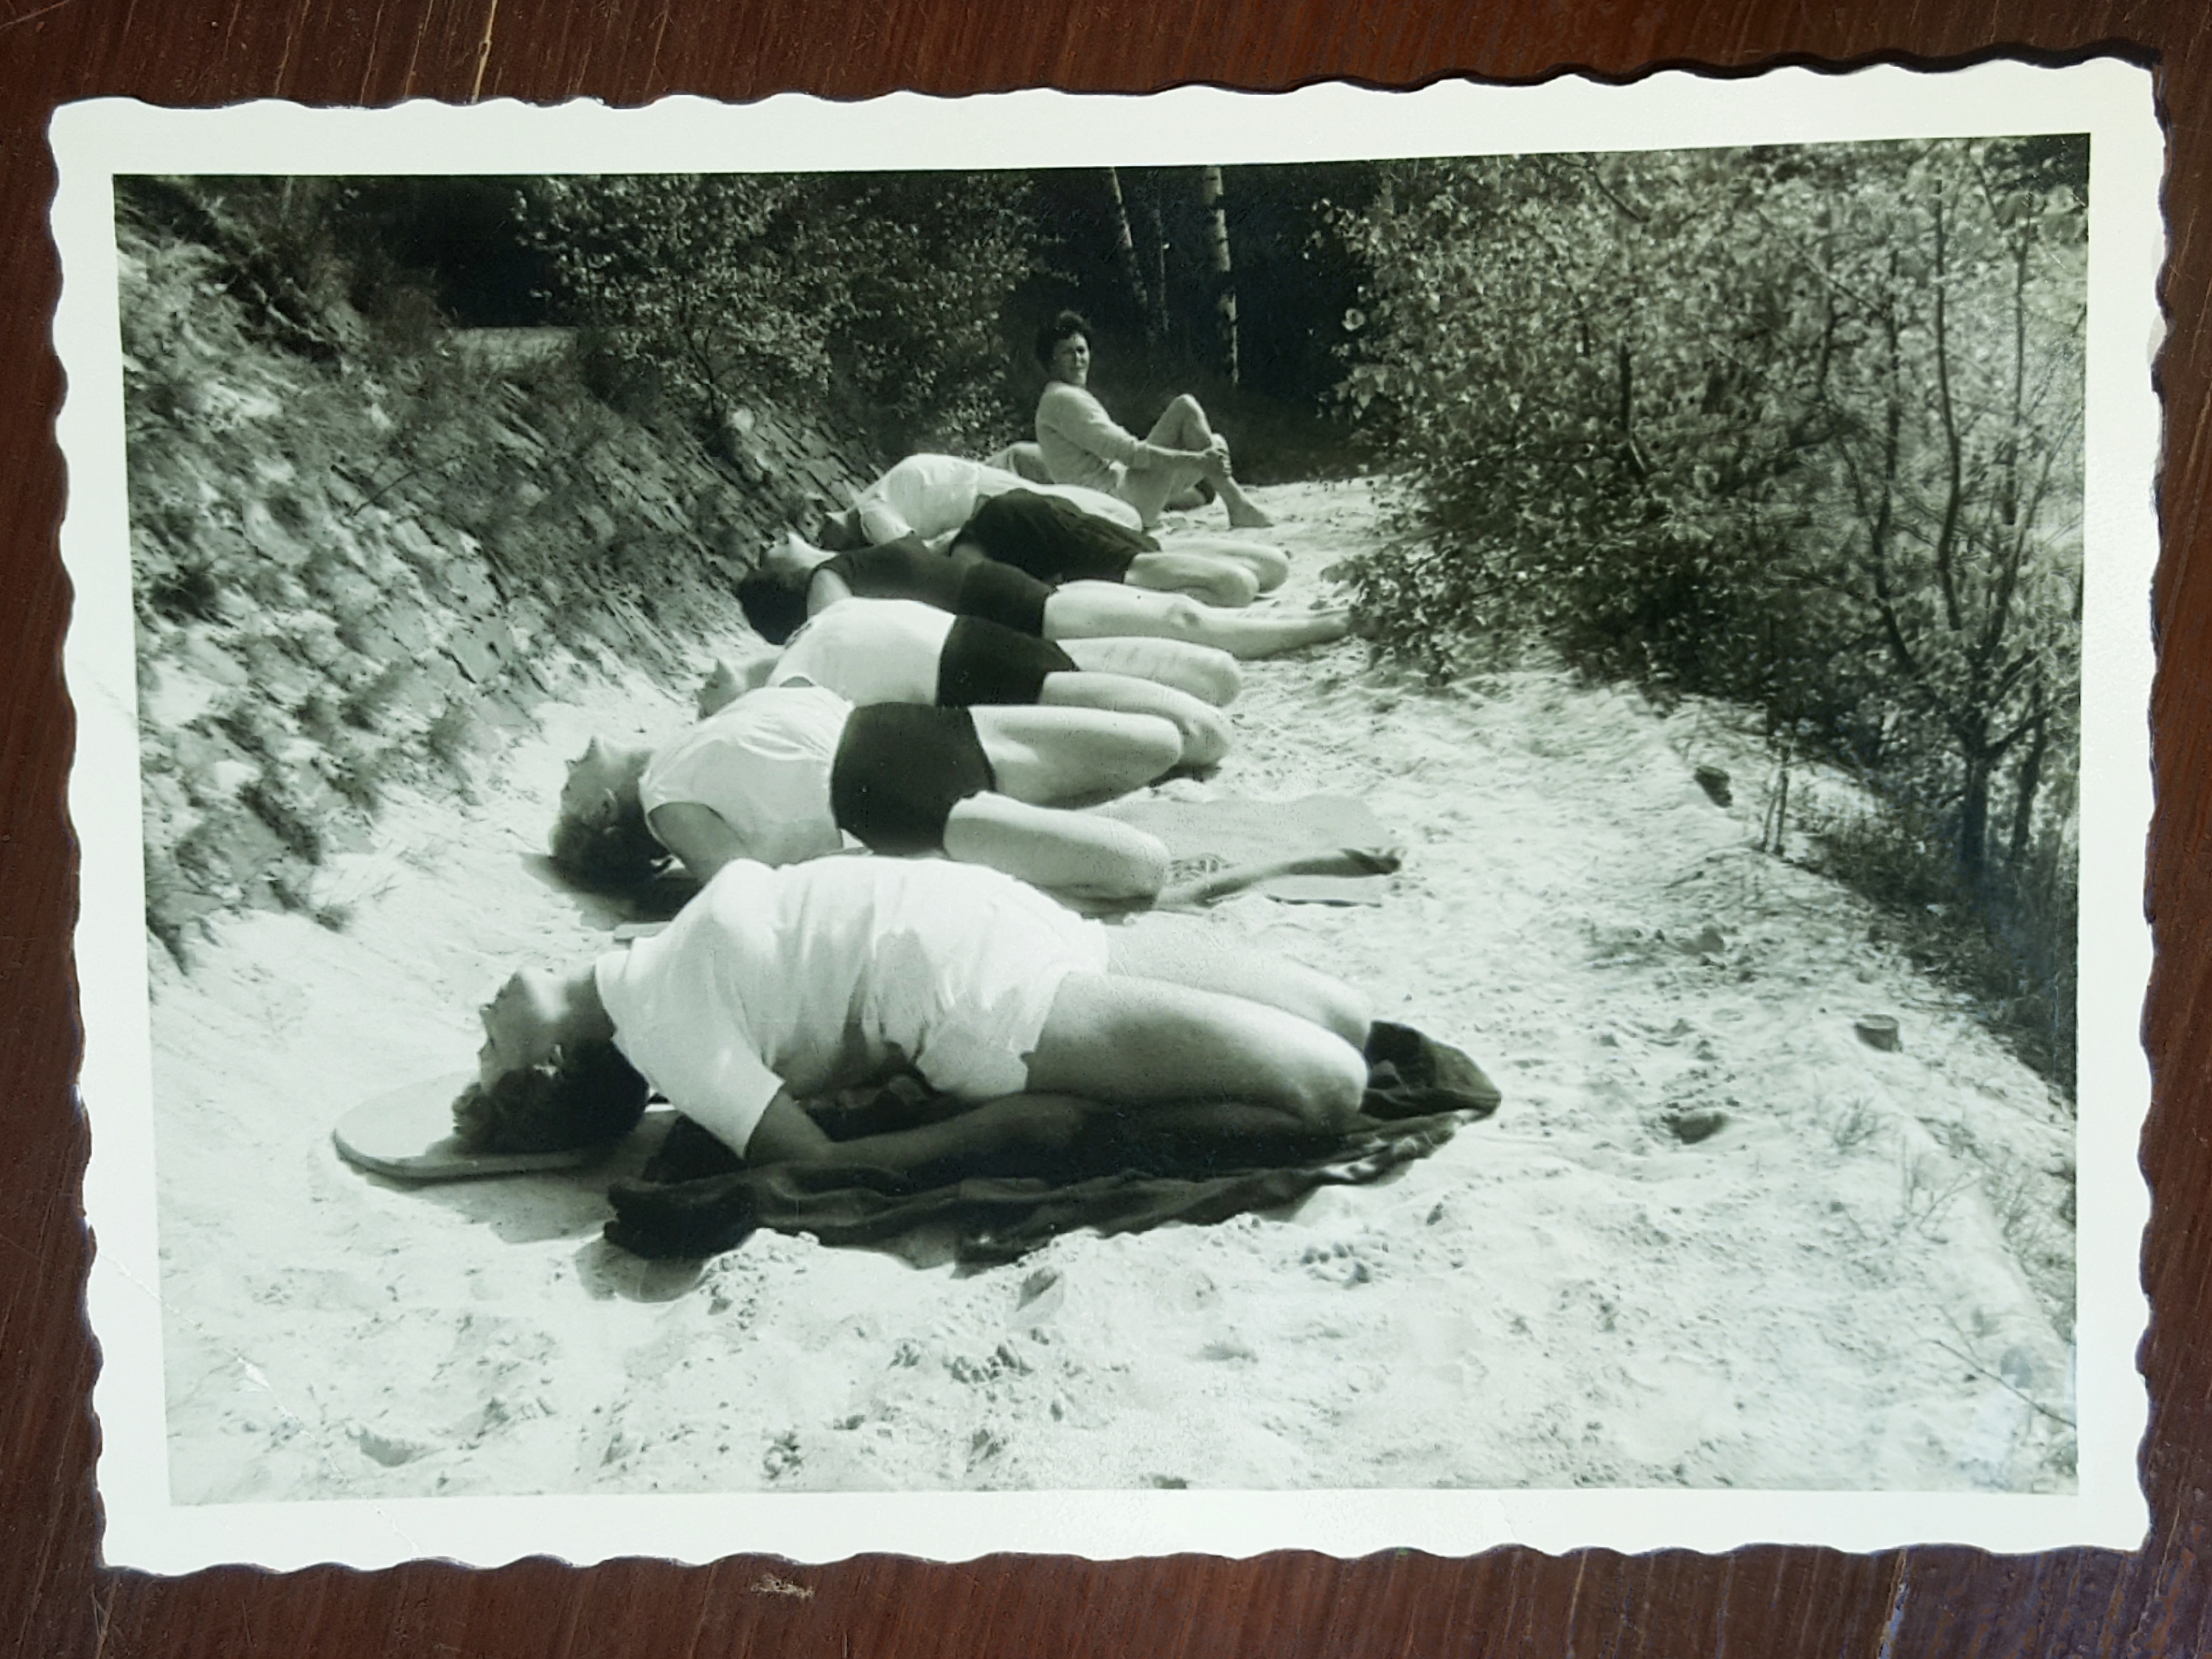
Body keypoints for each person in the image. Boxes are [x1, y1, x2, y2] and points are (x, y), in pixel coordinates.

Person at [462, 855, 1385, 1179]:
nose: (481, 1014)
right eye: (487, 1049)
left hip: (1024, 926)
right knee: (1331, 1087)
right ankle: (1124, 1112)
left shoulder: (645, 963)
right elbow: (812, 1161)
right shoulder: (666, 1033)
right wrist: (998, 1129)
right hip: (989, 1002)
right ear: (548, 1068)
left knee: (1349, 1019)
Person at [550, 684, 1182, 904]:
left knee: (1161, 743)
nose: (570, 762)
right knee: (1142, 865)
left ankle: (1029, 841)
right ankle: (1018, 867)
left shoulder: (692, 736)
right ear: (603, 810)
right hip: (890, 796)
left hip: (924, 729)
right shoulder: (664, 799)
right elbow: (740, 892)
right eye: (567, 786)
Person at [697, 596, 1234, 769]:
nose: (701, 699)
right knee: (1200, 728)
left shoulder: (795, 665)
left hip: (973, 660)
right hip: (973, 657)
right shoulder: (807, 646)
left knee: (1204, 718)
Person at [738, 529, 1347, 666]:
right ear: (783, 582)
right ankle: (1327, 626)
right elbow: (835, 636)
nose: (776, 539)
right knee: (1181, 620)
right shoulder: (827, 582)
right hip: (1014, 612)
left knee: (1176, 619)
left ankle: (1322, 622)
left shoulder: (849, 558)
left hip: (1022, 597)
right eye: (769, 552)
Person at [822, 454, 1288, 606]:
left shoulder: (873, 511)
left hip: (1013, 519)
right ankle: (1244, 564)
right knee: (1129, 539)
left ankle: (1232, 572)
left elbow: (911, 559)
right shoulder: (897, 482)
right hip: (1027, 510)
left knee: (1125, 546)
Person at [1034, 310, 1275, 531]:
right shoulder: (1062, 400)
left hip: (1119, 494)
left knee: (1216, 443)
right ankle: (1238, 505)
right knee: (1185, 408)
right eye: (1067, 353)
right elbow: (1129, 453)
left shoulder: (1062, 397)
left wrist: (1202, 459)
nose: (1078, 359)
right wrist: (1199, 460)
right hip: (1114, 503)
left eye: (1081, 351)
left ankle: (1228, 501)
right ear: (1051, 361)